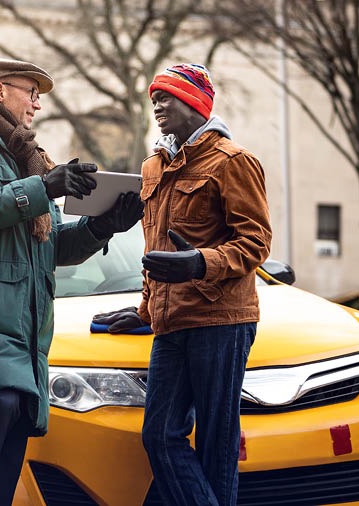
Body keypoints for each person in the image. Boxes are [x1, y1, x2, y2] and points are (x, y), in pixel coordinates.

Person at [0, 56, 145, 506]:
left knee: (15, 421)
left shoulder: (30, 155)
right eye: (30, 93)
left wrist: (104, 226)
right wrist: (44, 187)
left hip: (30, 329)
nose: (37, 105)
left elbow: (53, 248)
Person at [94, 63, 272, 505]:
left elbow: (255, 242)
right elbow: (153, 248)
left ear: (195, 102)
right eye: (154, 96)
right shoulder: (152, 167)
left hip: (221, 320)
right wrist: (142, 311)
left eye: (167, 96)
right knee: (159, 436)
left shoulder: (233, 161)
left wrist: (200, 264)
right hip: (171, 325)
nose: (156, 104)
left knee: (216, 444)